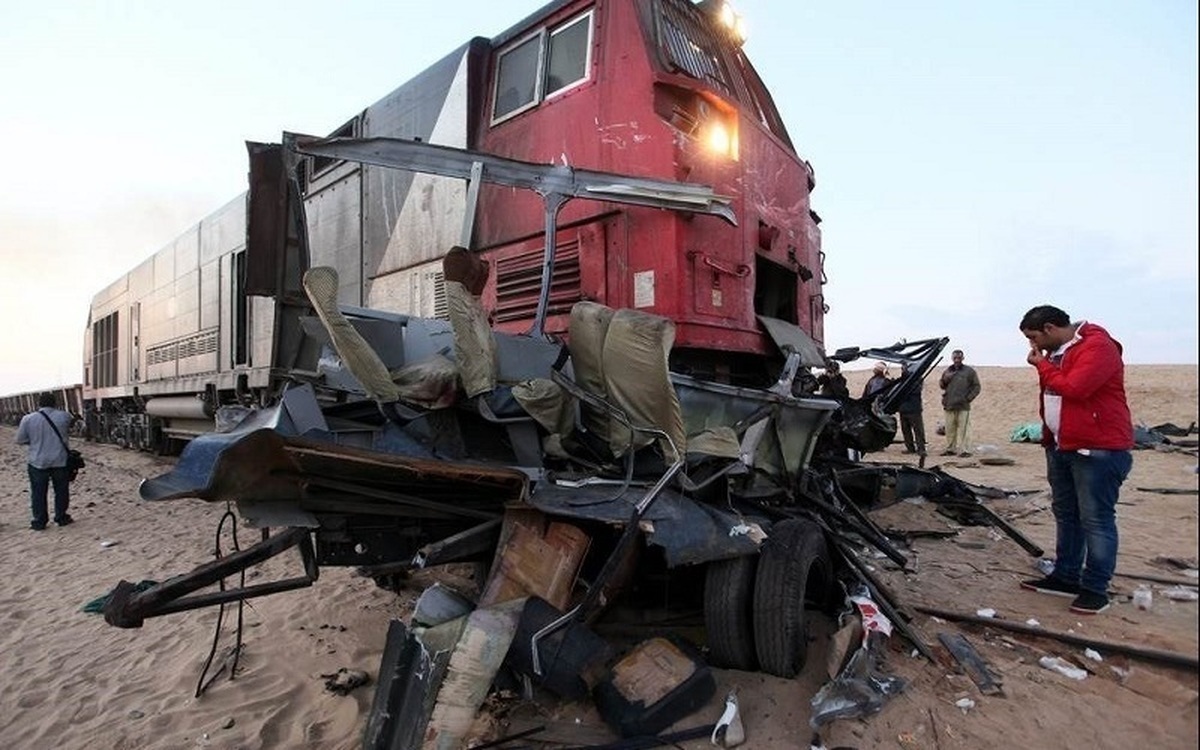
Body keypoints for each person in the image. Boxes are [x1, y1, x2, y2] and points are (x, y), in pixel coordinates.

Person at [1017, 305, 1133, 615]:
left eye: (1034, 337)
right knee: (1067, 514)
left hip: (1097, 449)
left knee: (1096, 520)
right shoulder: (1057, 352)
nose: (1033, 345)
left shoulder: (1097, 346)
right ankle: (1066, 576)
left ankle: (1096, 588)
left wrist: (1041, 366)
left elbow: (1075, 388)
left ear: (1051, 329)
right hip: (1062, 446)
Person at [15, 392, 75, 530]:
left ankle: (39, 521)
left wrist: (35, 441)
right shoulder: (64, 416)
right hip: (59, 460)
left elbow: (20, 440)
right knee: (61, 491)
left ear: (39, 403)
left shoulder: (28, 419)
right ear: (55, 403)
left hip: (37, 461)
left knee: (38, 492)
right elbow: (69, 429)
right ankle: (61, 517)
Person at [938, 349, 980, 456]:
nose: (957, 360)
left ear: (963, 358)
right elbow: (942, 385)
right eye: (955, 358)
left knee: (964, 430)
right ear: (952, 358)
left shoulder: (969, 372)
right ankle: (951, 449)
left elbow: (977, 387)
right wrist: (945, 379)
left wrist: (968, 398)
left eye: (959, 358)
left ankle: (966, 450)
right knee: (950, 429)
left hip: (963, 405)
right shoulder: (948, 371)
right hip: (949, 404)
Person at [896, 363, 927, 456]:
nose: (904, 370)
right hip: (903, 408)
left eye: (905, 369)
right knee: (906, 430)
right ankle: (910, 448)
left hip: (914, 409)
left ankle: (921, 449)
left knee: (918, 430)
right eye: (902, 369)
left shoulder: (917, 379)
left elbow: (916, 390)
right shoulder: (902, 380)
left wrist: (905, 389)